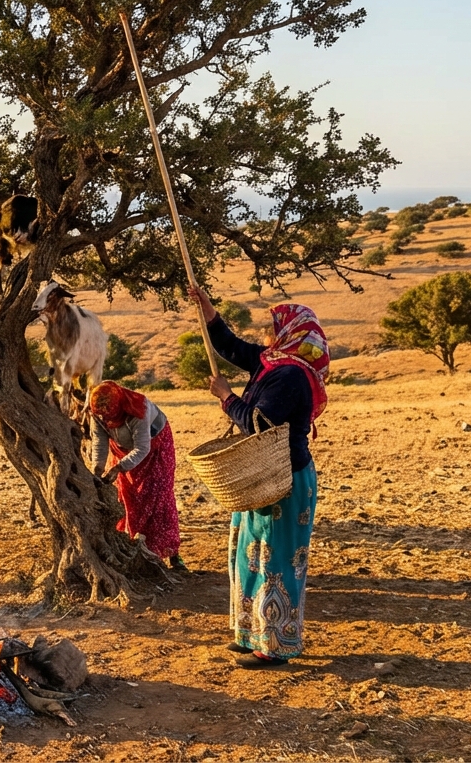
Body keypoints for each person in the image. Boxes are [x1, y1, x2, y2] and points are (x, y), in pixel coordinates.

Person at [189, 286, 329, 670]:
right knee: (250, 555)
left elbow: (259, 422)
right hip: (261, 475)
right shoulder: (274, 362)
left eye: (273, 325)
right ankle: (251, 633)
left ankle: (275, 646)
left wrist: (227, 397)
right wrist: (208, 311)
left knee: (277, 560)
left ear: (290, 332)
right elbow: (232, 348)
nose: (266, 331)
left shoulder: (291, 376)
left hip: (284, 480)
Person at [87, 381, 186, 571]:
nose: (105, 420)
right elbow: (99, 442)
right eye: (101, 416)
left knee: (158, 497)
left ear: (119, 408)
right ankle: (133, 546)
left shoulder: (138, 409)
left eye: (109, 416)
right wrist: (97, 470)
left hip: (155, 448)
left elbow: (142, 447)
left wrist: (118, 468)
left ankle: (171, 553)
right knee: (127, 497)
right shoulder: (98, 412)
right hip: (123, 451)